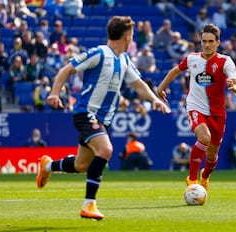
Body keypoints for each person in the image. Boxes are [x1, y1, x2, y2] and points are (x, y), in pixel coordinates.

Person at [36, 16, 171, 220]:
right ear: (127, 36)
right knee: (106, 149)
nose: (132, 39)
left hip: (102, 120)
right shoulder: (99, 53)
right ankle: (89, 205)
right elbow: (67, 69)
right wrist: (55, 93)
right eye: (132, 35)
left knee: (82, 165)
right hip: (86, 113)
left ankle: (47, 166)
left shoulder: (124, 60)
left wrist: (155, 100)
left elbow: (138, 84)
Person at [157, 24, 236, 192]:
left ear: (218, 42)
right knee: (204, 137)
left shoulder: (225, 61)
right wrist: (160, 88)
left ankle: (205, 175)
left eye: (211, 41)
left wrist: (235, 87)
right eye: (204, 41)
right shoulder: (192, 58)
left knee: (212, 156)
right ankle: (192, 179)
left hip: (217, 113)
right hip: (196, 107)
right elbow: (176, 70)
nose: (207, 44)